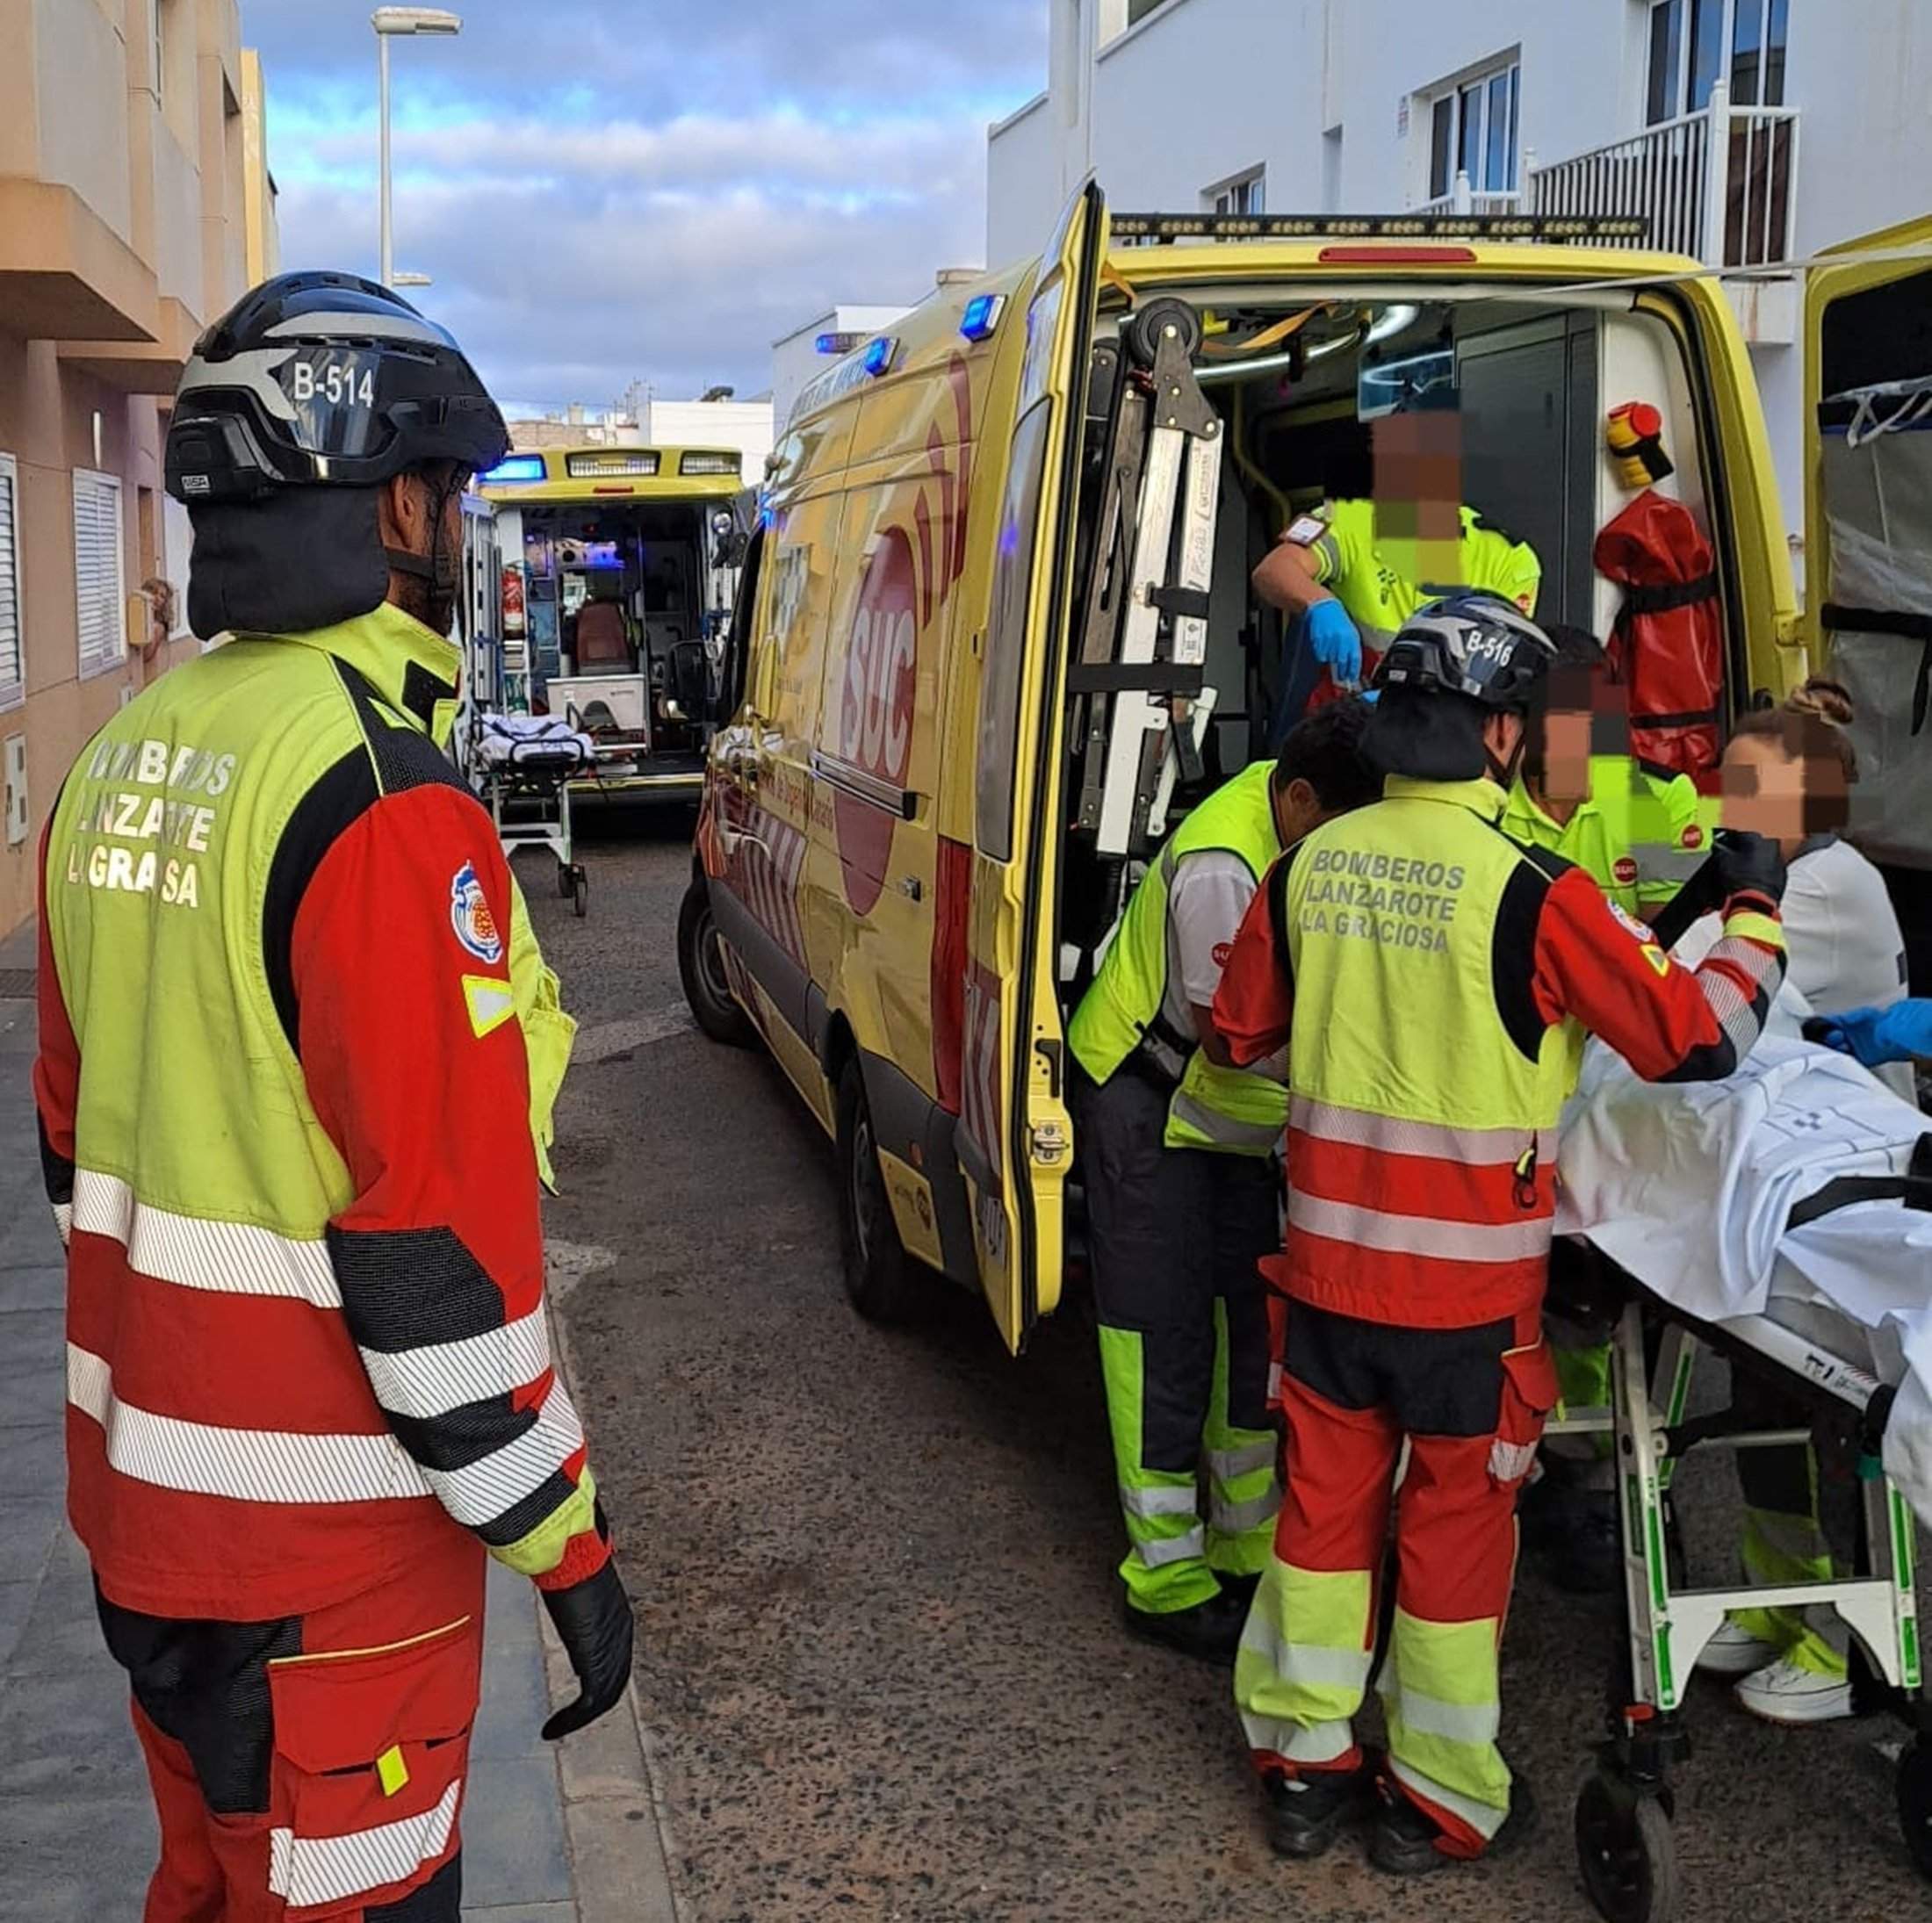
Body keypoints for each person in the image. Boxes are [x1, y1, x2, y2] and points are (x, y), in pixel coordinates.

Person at [32, 271, 631, 1923]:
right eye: (447, 494)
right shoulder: (381, 796)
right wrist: (567, 1551)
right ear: (389, 505)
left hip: (145, 1522)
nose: (455, 533)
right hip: (330, 1566)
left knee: (209, 1887)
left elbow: (70, 1149)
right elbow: (432, 1264)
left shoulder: (122, 759)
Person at [1211, 593, 1787, 1872]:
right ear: (1505, 737)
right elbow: (1697, 1041)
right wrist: (1752, 918)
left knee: (1319, 1522)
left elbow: (1233, 1034)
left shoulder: (1310, 864)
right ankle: (1435, 1796)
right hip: (1466, 1307)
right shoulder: (1539, 887)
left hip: (1322, 1283)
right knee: (1453, 1541)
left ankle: (1306, 1771)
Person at [1067, 701, 1381, 1663]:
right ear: (1295, 798)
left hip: (1231, 1128)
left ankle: (1245, 1545)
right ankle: (1163, 1576)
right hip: (1151, 1107)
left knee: (1252, 1335)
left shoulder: (1290, 837)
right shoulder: (1223, 866)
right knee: (1161, 1342)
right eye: (1332, 829)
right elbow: (1229, 1036)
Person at [1676, 681, 1919, 1723]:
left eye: (1748, 785)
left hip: (1836, 1184)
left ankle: (1838, 1636)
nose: (1726, 801)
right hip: (1772, 1173)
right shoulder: (1785, 872)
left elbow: (1682, 977)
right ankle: (1780, 1601)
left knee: (1830, 1413)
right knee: (1766, 1396)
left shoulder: (1816, 887)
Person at [1501, 623, 1714, 1593]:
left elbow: (1730, 879)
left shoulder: (1644, 803)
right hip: (1516, 1096)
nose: (1595, 756)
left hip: (1608, 1089)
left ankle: (1584, 1474)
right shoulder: (1491, 821)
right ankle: (1535, 1471)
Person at [1251, 493, 1541, 691]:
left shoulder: (1510, 559)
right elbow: (1274, 569)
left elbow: (1501, 673)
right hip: (1349, 722)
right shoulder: (1350, 520)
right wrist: (1320, 603)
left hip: (1446, 730)